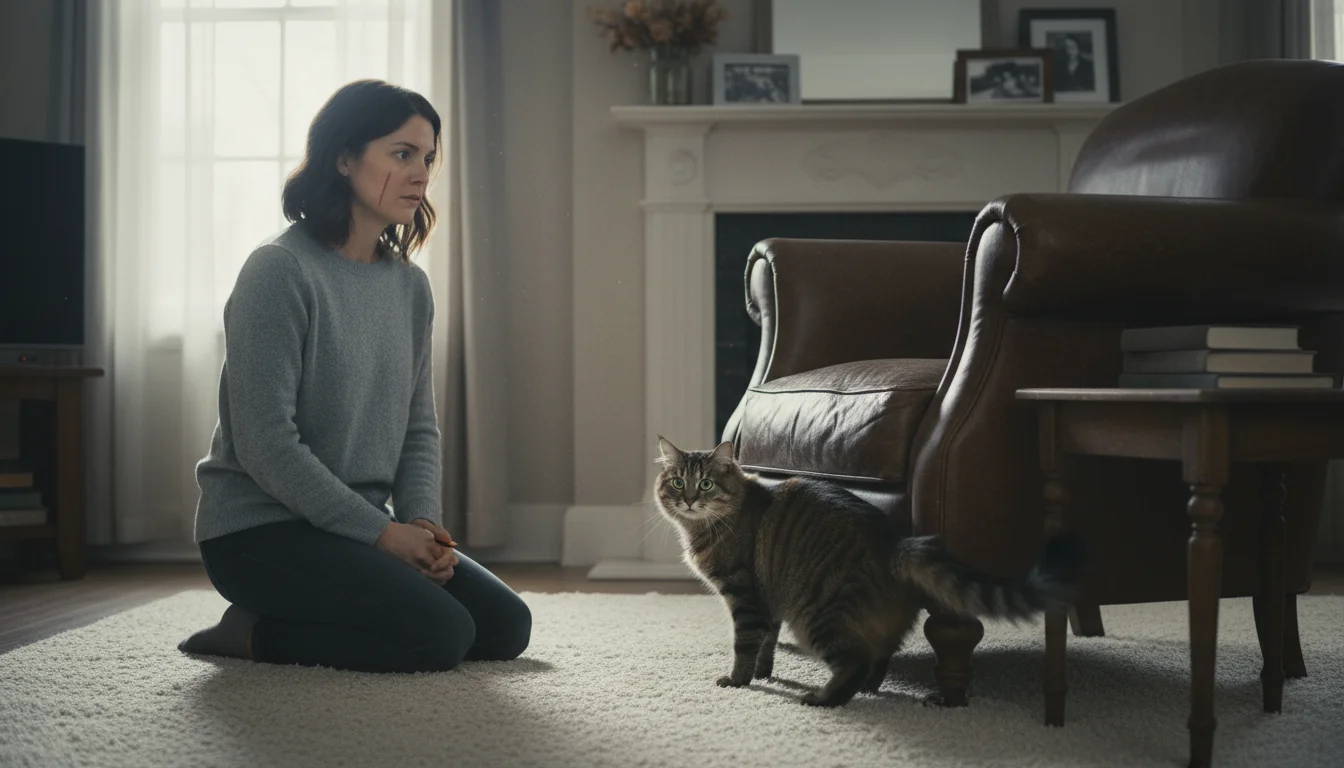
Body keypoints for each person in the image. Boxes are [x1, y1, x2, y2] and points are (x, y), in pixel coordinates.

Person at [177, 79, 531, 674]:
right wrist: (384, 538)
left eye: (427, 157)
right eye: (401, 154)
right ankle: (251, 633)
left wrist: (422, 529)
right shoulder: (279, 272)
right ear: (343, 158)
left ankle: (328, 604)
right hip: (258, 534)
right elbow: (266, 445)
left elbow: (419, 428)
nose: (421, 173)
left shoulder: (410, 286)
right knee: (439, 637)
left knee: (504, 627)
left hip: (353, 530)